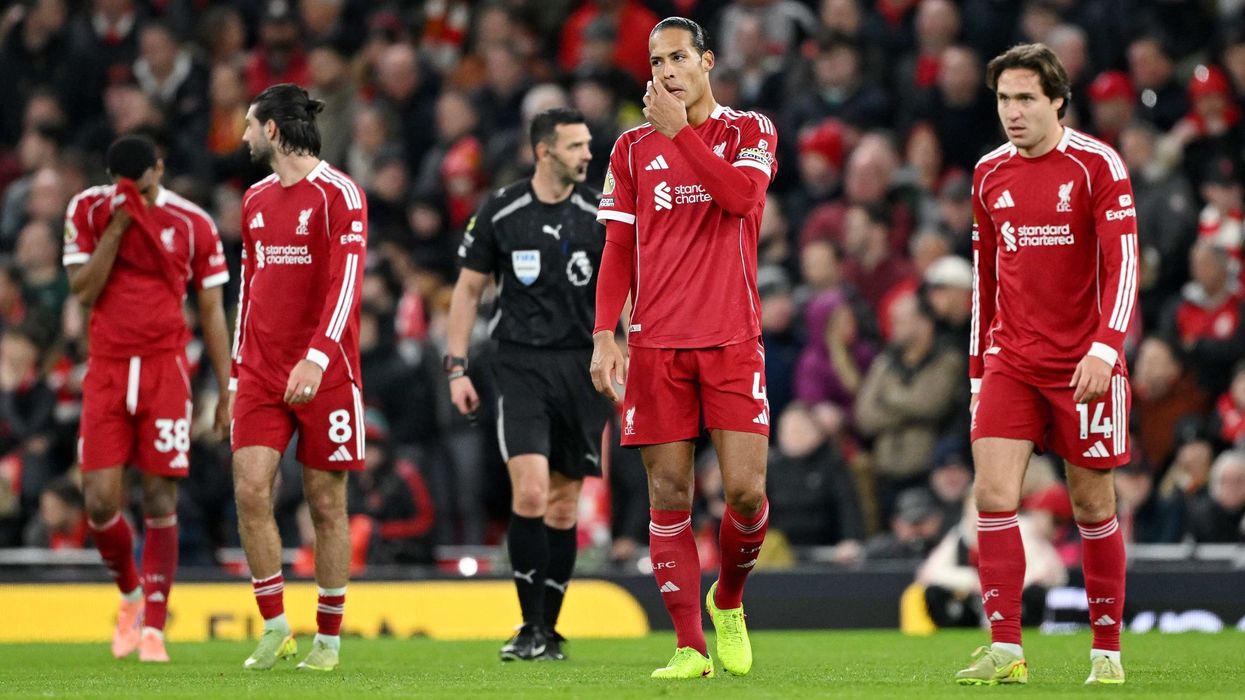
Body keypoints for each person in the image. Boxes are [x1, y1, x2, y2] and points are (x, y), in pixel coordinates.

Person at [591, 17, 778, 679]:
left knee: (747, 495)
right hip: (656, 344)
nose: (665, 70)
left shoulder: (749, 130)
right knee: (668, 494)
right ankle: (688, 646)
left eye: (677, 57)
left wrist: (682, 134)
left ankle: (728, 599)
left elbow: (740, 197)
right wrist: (603, 332)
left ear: (706, 61)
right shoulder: (631, 148)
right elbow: (617, 245)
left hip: (731, 338)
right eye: (654, 60)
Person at [962, 43, 1138, 686]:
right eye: (1004, 99)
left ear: (1058, 100)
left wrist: (1105, 347)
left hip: (1085, 364)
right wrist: (979, 373)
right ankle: (1007, 650)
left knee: (1093, 505)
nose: (1013, 111)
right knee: (992, 494)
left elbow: (1125, 265)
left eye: (1026, 99)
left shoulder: (1096, 165)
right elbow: (985, 283)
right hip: (1012, 361)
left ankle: (1107, 652)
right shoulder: (988, 175)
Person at [446, 107, 609, 662]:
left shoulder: (600, 213)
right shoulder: (502, 210)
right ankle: (529, 624)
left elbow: (624, 292)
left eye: (588, 145)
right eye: (576, 146)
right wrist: (456, 366)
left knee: (564, 507)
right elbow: (468, 291)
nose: (588, 155)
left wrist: (623, 356)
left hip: (582, 367)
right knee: (532, 491)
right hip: (519, 365)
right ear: (544, 152)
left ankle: (548, 628)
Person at [63, 133, 233, 663]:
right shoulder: (88, 209)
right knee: (99, 503)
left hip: (165, 370)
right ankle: (131, 594)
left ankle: (154, 627)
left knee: (160, 498)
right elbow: (83, 290)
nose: (134, 193)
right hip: (109, 369)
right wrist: (118, 223)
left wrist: (227, 389)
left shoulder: (193, 224)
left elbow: (211, 311)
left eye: (141, 186)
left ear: (160, 169)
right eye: (124, 187)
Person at [231, 83, 367, 673]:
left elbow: (347, 282)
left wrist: (317, 354)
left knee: (325, 503)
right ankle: (276, 626)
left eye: (248, 125)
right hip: (260, 372)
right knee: (249, 490)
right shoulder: (255, 200)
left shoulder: (340, 194)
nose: (241, 136)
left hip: (327, 372)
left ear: (272, 130)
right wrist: (238, 369)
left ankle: (329, 638)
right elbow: (248, 288)